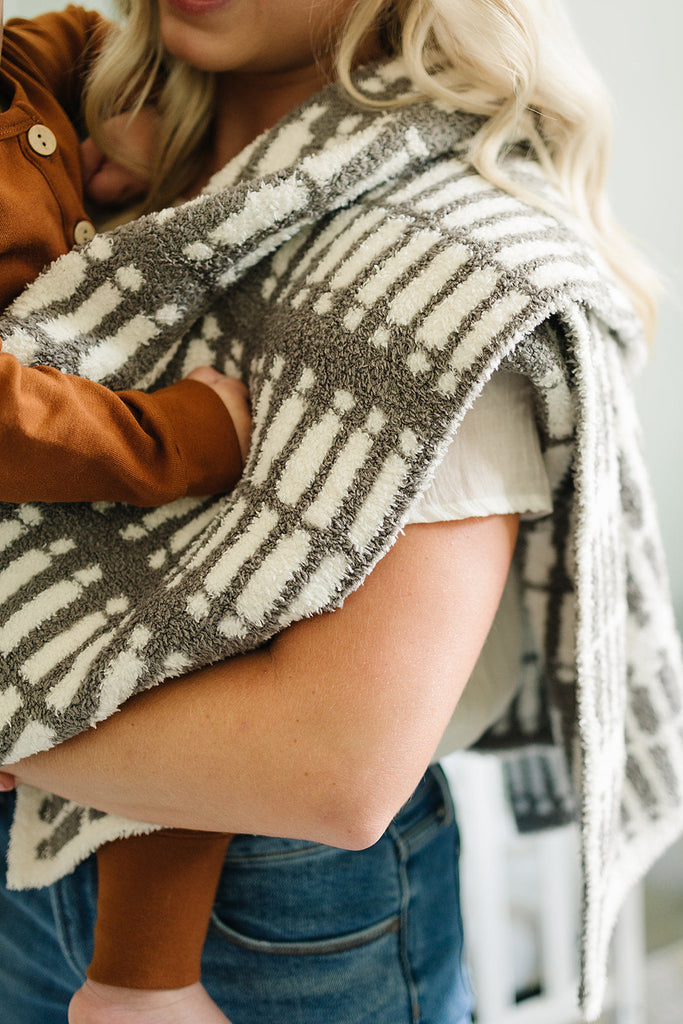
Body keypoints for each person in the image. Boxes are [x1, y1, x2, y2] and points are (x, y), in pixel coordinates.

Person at [0, 3, 681, 1024]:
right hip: (29, 843)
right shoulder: (96, 154)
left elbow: (331, 769)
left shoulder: (445, 256)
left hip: (269, 901)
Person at [0, 6, 248, 1022]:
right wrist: (173, 439)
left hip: (77, 495)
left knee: (183, 618)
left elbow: (88, 41)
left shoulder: (31, 62)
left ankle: (143, 977)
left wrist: (145, 115)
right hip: (81, 454)